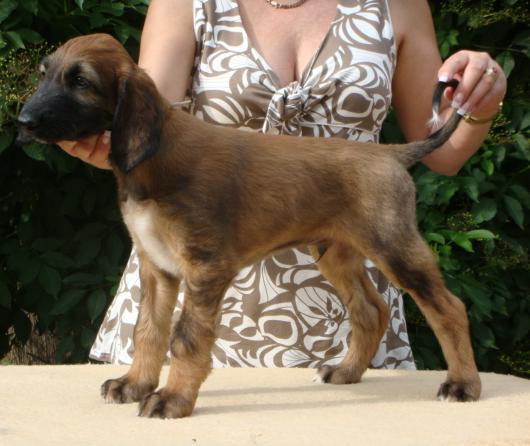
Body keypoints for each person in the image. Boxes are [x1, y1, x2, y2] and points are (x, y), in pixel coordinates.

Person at [59, 0, 506, 368]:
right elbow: (147, 131)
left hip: (332, 314)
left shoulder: (398, 4)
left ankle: (438, 367)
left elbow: (441, 151)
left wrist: (480, 102)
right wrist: (101, 145)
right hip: (197, 285)